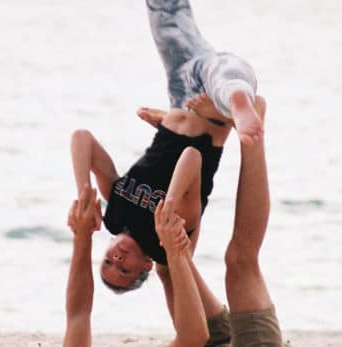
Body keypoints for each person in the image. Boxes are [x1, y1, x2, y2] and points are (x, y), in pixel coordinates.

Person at [12, 96, 289, 347]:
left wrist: (83, 236)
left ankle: (179, 129)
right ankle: (253, 136)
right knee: (239, 263)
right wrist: (176, 251)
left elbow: (78, 312)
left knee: (166, 270)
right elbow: (191, 338)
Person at [71, 0, 265, 292]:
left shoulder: (115, 217)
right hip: (213, 111)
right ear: (147, 267)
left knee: (164, 10)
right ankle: (239, 102)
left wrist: (84, 192)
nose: (117, 259)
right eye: (125, 269)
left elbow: (82, 138)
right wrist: (169, 205)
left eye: (108, 263)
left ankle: (235, 99)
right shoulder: (167, 241)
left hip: (180, 95)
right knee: (227, 77)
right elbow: (191, 157)